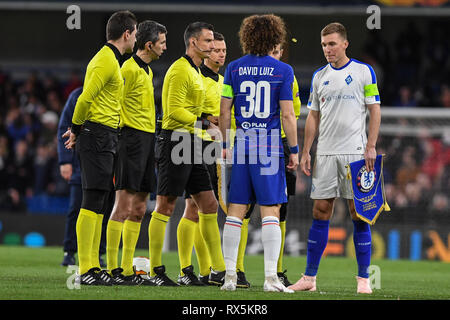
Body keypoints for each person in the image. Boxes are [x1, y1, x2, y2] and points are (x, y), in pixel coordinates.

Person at [288, 22, 381, 294]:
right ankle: (309, 278)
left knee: (359, 214)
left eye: (332, 44)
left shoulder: (363, 71)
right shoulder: (319, 76)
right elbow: (313, 116)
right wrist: (307, 151)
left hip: (356, 152)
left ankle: (364, 279)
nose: (327, 49)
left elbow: (374, 110)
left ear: (344, 44)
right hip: (326, 153)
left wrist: (371, 146)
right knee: (320, 212)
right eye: (324, 45)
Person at [219, 14, 299, 293]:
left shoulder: (234, 68)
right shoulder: (283, 70)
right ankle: (270, 278)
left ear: (247, 37)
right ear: (274, 38)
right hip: (268, 147)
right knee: (271, 211)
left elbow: (224, 109)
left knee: (235, 212)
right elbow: (288, 115)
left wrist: (226, 145)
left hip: (242, 144)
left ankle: (229, 277)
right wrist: (296, 150)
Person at [148, 22, 226, 286]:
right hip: (174, 141)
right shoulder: (181, 70)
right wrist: (205, 120)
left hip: (191, 141)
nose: (212, 46)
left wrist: (204, 122)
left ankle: (218, 271)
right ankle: (156, 271)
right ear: (193, 42)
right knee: (166, 205)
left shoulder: (194, 71)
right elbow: (172, 113)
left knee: (209, 204)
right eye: (207, 41)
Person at [63, 10, 137, 286]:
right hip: (96, 135)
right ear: (127, 33)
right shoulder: (105, 61)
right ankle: (86, 269)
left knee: (99, 202)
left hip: (104, 135)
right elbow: (84, 100)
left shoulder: (111, 61)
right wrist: (77, 130)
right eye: (136, 33)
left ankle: (93, 266)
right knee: (92, 199)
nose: (136, 39)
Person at [105, 20, 167, 286]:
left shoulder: (148, 71)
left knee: (140, 207)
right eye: (163, 42)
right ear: (149, 44)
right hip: (130, 140)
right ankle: (112, 269)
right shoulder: (127, 69)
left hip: (147, 140)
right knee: (123, 205)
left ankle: (129, 270)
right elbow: (115, 102)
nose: (166, 47)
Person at [176, 31, 226, 286]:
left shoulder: (222, 80)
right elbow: (187, 109)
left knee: (206, 207)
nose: (220, 53)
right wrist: (207, 117)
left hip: (213, 147)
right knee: (194, 207)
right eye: (215, 49)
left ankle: (206, 271)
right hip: (192, 142)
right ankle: (190, 269)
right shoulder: (196, 75)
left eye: (223, 50)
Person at [57, 87, 108, 268]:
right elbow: (65, 126)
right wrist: (65, 161)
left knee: (102, 209)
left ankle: (98, 253)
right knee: (75, 209)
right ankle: (69, 251)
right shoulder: (78, 96)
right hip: (80, 162)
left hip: (103, 158)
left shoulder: (110, 92)